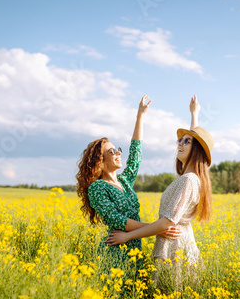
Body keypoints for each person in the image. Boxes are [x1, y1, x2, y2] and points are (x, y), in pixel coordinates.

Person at [106, 95, 213, 285]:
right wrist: (194, 114)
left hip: (175, 247)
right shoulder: (191, 178)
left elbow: (166, 223)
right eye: (179, 140)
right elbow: (196, 140)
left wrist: (127, 236)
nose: (179, 143)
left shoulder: (188, 180)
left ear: (196, 150)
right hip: (178, 243)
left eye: (186, 141)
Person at [75, 95, 180, 271]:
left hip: (134, 246)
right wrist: (155, 229)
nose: (118, 153)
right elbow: (116, 219)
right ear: (100, 160)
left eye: (118, 149)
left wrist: (139, 116)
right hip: (116, 249)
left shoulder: (124, 181)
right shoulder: (97, 188)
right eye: (112, 151)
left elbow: (135, 155)